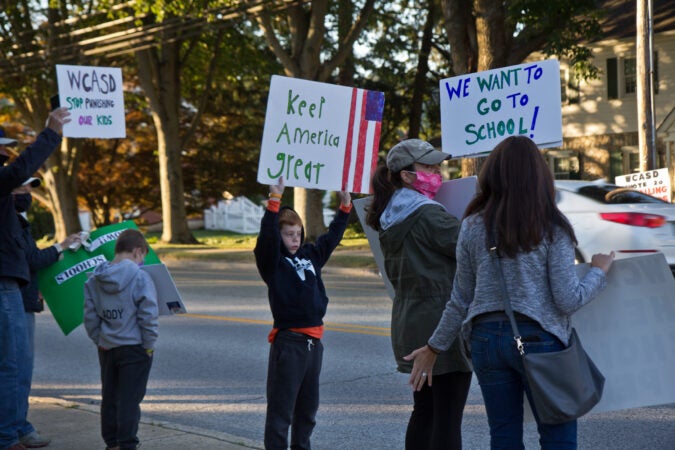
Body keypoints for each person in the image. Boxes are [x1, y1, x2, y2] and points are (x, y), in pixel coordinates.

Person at [404, 136, 615, 449]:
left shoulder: (473, 225)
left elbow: (460, 297)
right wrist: (598, 271)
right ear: (539, 175)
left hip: (486, 341)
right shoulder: (551, 225)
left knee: (503, 434)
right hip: (541, 339)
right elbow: (567, 299)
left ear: (492, 175)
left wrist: (434, 347)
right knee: (557, 434)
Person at [365, 139, 472, 450]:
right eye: (428, 166)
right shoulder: (427, 215)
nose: (437, 171)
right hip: (440, 327)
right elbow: (471, 251)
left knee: (425, 412)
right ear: (406, 175)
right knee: (447, 418)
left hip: (410, 322)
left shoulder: (389, 213)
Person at [254, 177, 352, 450]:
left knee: (307, 413)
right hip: (290, 345)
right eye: (288, 234)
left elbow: (331, 238)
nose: (294, 239)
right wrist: (274, 201)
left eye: (298, 233)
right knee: (281, 413)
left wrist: (345, 208)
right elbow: (266, 239)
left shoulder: (310, 255)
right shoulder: (272, 262)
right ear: (279, 234)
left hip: (313, 345)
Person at [0, 108, 71, 450]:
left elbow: (19, 182)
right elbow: (20, 169)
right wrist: (51, 133)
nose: (5, 155)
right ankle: (7, 435)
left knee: (14, 363)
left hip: (12, 284)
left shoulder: (12, 204)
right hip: (3, 284)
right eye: (1, 149)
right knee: (11, 363)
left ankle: (15, 429)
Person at [12, 184, 81, 449]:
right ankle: (18, 429)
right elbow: (30, 259)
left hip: (21, 298)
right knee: (18, 370)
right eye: (21, 187)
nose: (26, 194)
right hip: (15, 303)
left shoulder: (15, 219)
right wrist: (61, 246)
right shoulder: (10, 221)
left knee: (15, 369)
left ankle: (17, 427)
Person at [83, 229, 159, 450]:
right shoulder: (140, 276)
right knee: (129, 399)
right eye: (142, 257)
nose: (142, 261)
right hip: (134, 347)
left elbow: (89, 316)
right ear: (137, 251)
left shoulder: (94, 279)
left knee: (110, 395)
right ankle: (127, 444)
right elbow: (148, 315)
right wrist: (149, 345)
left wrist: (100, 339)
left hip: (107, 346)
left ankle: (112, 442)